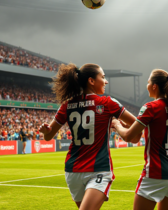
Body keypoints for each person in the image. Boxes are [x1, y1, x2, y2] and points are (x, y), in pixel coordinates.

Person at [39, 63, 136, 210]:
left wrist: (46, 131)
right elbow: (137, 125)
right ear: (91, 81)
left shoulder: (66, 105)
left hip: (74, 171)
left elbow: (48, 136)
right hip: (97, 168)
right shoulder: (108, 103)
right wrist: (118, 125)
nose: (106, 81)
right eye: (103, 77)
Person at [111, 69, 168, 210]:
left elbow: (128, 136)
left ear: (154, 86)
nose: (147, 85)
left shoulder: (151, 107)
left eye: (148, 82)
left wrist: (116, 124)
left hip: (156, 173)